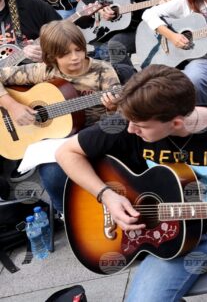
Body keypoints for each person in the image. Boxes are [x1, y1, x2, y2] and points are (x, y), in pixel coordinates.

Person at [55, 65, 207, 301]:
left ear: (176, 123)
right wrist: (107, 195)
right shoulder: (131, 120)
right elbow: (66, 153)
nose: (131, 130)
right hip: (168, 240)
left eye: (140, 126)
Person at [0, 20, 119, 210]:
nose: (75, 57)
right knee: (52, 175)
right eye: (65, 54)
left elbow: (121, 118)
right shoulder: (45, 70)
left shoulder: (102, 71)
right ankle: (67, 213)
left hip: (93, 133)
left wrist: (112, 108)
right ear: (51, 56)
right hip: (55, 140)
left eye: (79, 49)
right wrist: (12, 106)